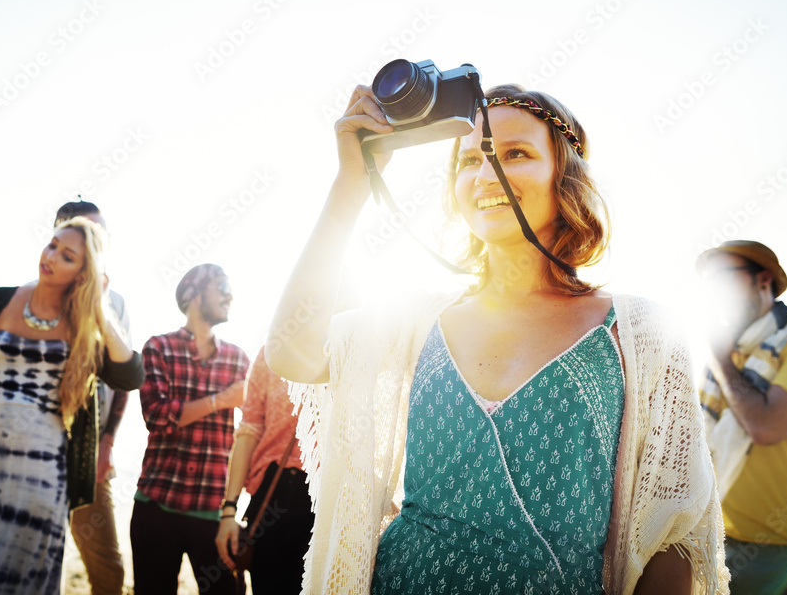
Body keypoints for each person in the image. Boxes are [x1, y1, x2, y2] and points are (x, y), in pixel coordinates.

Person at [266, 82, 729, 594]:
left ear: (565, 176)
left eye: (516, 153)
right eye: (469, 160)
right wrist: (351, 181)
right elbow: (292, 350)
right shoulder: (416, 320)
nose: (488, 174)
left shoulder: (640, 332)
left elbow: (674, 533)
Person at [0, 216, 144, 595]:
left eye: (67, 255)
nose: (51, 256)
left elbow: (130, 376)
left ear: (83, 273)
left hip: (42, 481)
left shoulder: (85, 327)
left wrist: (100, 308)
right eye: (52, 244)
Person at [696, 241, 787, 594]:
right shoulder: (726, 359)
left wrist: (721, 361)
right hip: (713, 541)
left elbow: (766, 426)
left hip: (783, 550)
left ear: (763, 280)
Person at [130, 264, 249, 595]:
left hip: (214, 514)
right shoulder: (158, 348)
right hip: (156, 509)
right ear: (192, 295)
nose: (230, 294)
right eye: (221, 286)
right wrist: (222, 399)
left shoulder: (239, 359)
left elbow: (253, 429)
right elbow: (157, 417)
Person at [55, 201, 131, 595]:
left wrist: (107, 443)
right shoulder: (27, 297)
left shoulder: (115, 303)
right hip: (38, 449)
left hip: (90, 452)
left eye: (97, 232)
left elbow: (124, 380)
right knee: (39, 560)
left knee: (108, 569)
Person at [214, 347, 314, 594]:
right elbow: (249, 428)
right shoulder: (273, 350)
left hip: (326, 498)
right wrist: (229, 511)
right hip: (271, 494)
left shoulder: (351, 344)